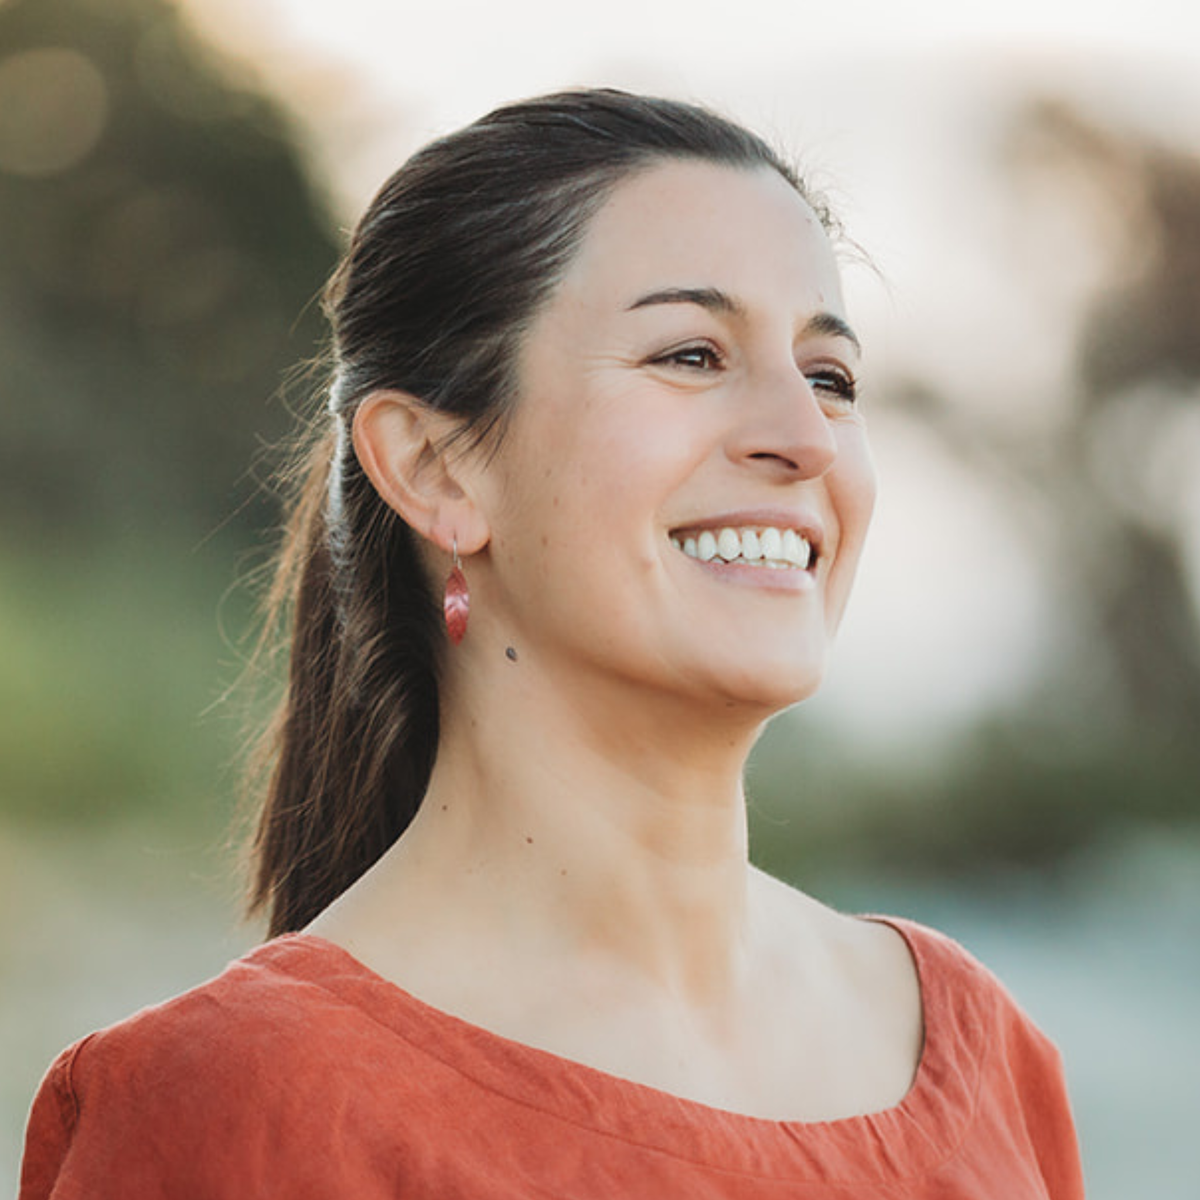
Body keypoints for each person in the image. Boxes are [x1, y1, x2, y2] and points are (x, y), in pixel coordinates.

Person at [20, 89, 1085, 1198]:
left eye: (831, 378)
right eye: (690, 354)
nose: (805, 437)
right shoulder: (236, 1105)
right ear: (435, 467)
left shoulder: (984, 1057)